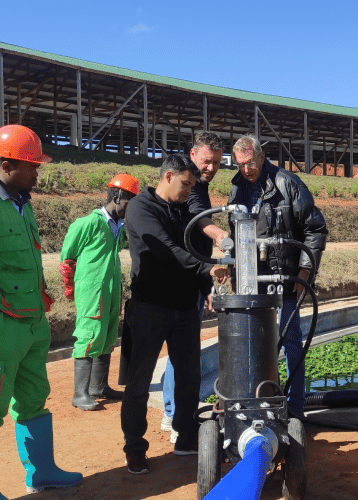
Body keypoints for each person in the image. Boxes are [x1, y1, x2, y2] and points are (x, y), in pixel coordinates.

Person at [0, 124, 81, 496]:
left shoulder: (22, 205)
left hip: (30, 324)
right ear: (7, 165)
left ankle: (41, 471)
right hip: (0, 326)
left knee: (33, 399)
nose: (38, 172)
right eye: (32, 165)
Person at [121, 155, 223, 474]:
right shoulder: (141, 208)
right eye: (186, 184)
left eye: (193, 186)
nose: (188, 191)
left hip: (183, 307)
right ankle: (135, 447)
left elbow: (194, 252)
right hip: (149, 306)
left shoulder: (182, 213)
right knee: (139, 381)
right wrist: (208, 266)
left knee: (190, 376)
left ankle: (186, 438)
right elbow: (167, 250)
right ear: (168, 177)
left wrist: (206, 284)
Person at [226, 135, 328, 417]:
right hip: (251, 278)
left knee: (291, 338)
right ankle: (258, 400)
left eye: (250, 163)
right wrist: (235, 272)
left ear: (261, 156)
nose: (246, 169)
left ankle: (295, 408)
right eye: (240, 164)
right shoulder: (237, 190)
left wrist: (306, 270)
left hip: (287, 278)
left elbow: (315, 229)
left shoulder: (287, 183)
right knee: (252, 337)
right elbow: (234, 235)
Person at [160, 132, 231, 436]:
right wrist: (221, 235)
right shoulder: (190, 186)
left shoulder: (198, 185)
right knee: (181, 352)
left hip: (194, 276)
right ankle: (175, 416)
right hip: (181, 279)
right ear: (193, 154)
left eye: (216, 162)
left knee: (185, 351)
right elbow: (198, 218)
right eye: (206, 160)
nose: (211, 167)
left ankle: (173, 414)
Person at [61, 174, 139, 411]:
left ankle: (99, 386)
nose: (130, 209)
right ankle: (80, 393)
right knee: (89, 333)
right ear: (116, 198)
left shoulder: (119, 226)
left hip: (111, 288)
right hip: (92, 289)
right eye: (128, 203)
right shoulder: (88, 224)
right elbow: (67, 259)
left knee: (105, 334)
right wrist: (70, 287)